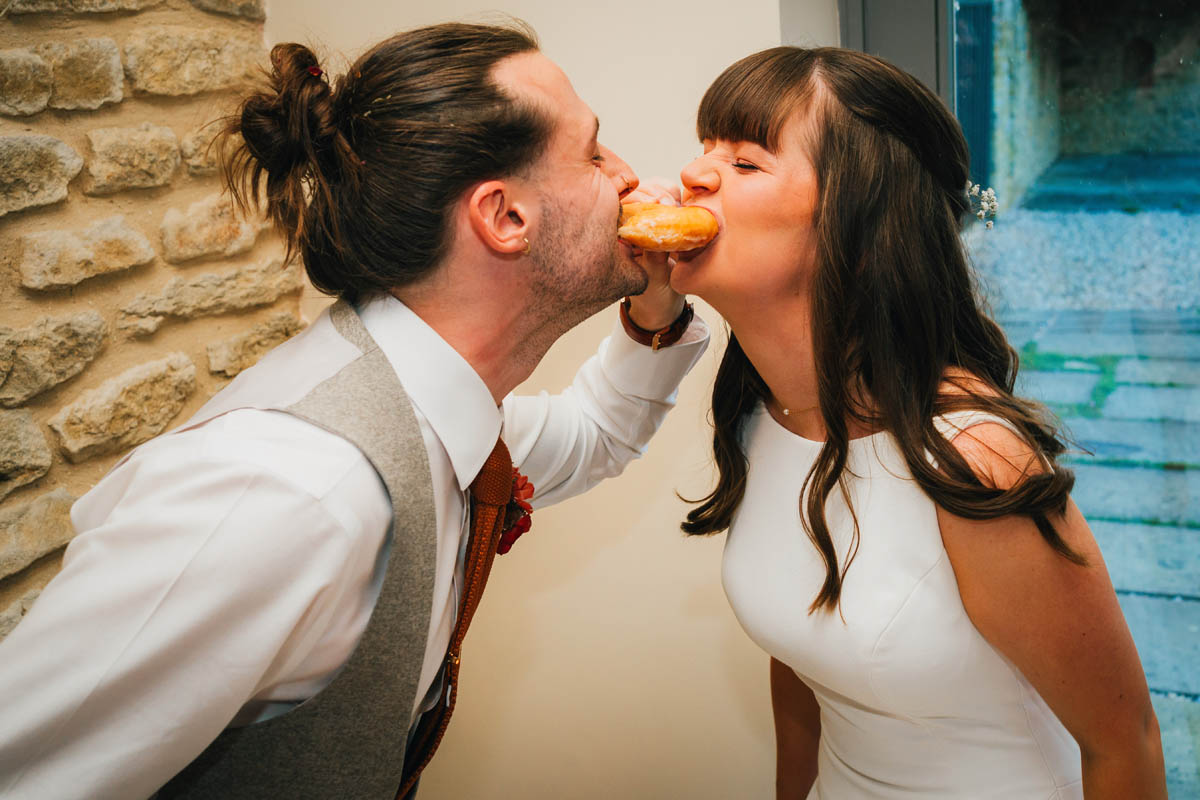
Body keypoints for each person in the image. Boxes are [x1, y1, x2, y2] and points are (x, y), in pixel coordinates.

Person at [0, 22, 708, 800]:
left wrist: (658, 312)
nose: (629, 174)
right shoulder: (289, 493)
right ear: (504, 218)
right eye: (595, 153)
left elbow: (593, 436)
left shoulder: (438, 405)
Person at [673, 46, 1166, 798]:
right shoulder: (759, 411)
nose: (694, 176)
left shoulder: (973, 460)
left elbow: (1123, 743)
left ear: (862, 230)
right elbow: (803, 657)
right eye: (706, 148)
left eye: (745, 163)